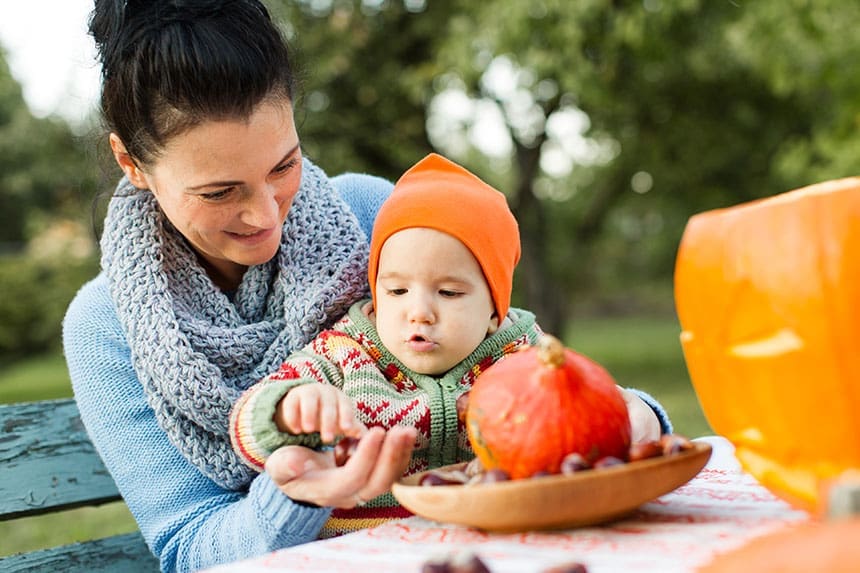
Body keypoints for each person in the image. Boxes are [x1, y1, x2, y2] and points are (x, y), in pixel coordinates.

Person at [63, 2, 669, 572]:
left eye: (284, 166)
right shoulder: (105, 326)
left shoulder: (374, 214)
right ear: (132, 163)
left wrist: (630, 414)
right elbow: (187, 544)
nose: (267, 215)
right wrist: (296, 499)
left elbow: (505, 347)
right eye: (220, 192)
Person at [228, 153, 672, 538]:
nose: (419, 312)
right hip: (362, 549)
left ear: (495, 311)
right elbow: (245, 425)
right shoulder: (342, 354)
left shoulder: (520, 356)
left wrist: (640, 412)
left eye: (450, 293)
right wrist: (286, 408)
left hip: (496, 539)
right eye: (397, 292)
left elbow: (588, 413)